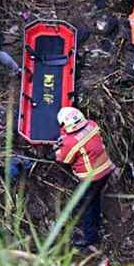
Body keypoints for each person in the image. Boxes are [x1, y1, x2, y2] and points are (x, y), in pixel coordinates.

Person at [51, 106, 115, 247]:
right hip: (106, 169)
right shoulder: (92, 125)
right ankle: (97, 223)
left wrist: (56, 149)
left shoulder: (70, 142)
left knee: (86, 205)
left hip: (91, 177)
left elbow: (64, 159)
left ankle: (90, 236)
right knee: (95, 198)